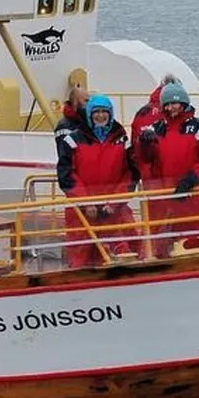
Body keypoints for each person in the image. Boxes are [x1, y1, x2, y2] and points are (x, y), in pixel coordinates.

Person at [136, 81, 199, 257]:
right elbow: (146, 160)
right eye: (167, 104)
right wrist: (144, 144)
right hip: (165, 196)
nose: (171, 108)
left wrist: (193, 178)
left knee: (194, 239)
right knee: (162, 244)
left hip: (194, 196)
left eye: (175, 103)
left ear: (184, 103)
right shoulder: (156, 129)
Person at [56, 94, 140, 268]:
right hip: (82, 213)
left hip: (114, 211)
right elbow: (67, 175)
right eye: (96, 112)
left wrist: (114, 203)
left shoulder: (122, 140)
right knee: (81, 259)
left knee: (127, 255)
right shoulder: (72, 140)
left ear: (111, 114)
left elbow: (130, 175)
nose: (101, 116)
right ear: (89, 114)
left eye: (105, 112)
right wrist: (87, 203)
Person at [130, 74, 180, 180]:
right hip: (174, 174)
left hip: (148, 177)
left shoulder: (142, 112)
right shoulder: (178, 112)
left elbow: (134, 145)